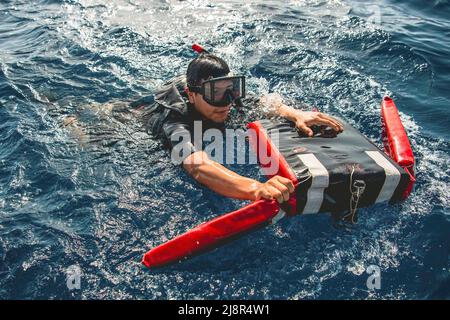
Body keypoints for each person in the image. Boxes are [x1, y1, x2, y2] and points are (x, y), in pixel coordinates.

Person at [142, 53, 344, 204]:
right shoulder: (175, 119)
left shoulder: (229, 100)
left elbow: (262, 102)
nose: (227, 103)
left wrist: (296, 114)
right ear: (192, 95)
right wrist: (256, 188)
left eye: (231, 90)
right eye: (216, 93)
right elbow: (196, 165)